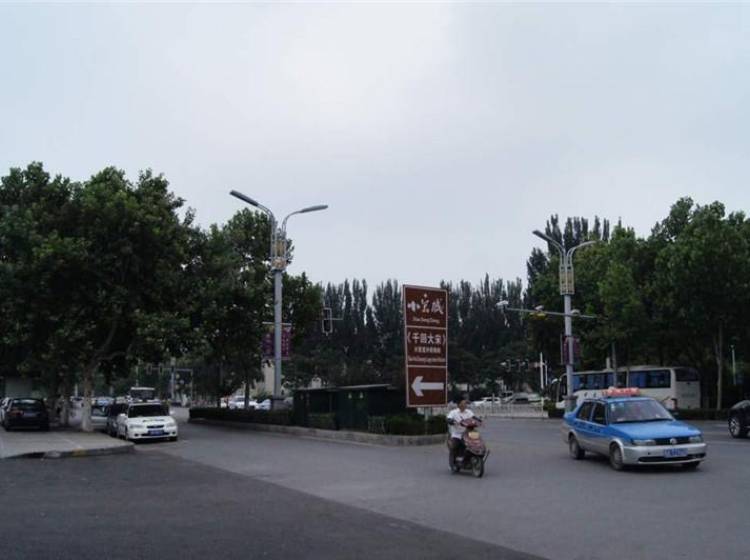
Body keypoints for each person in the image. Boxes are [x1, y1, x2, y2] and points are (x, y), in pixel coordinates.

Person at [446, 399, 479, 467]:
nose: (465, 405)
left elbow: (473, 417)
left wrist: (479, 420)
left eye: (465, 403)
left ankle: (472, 457)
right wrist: (451, 421)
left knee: (476, 443)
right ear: (459, 405)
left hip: (468, 433)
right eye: (463, 403)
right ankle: (453, 461)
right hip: (457, 434)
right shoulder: (453, 412)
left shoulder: (468, 412)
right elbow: (449, 418)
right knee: (454, 446)